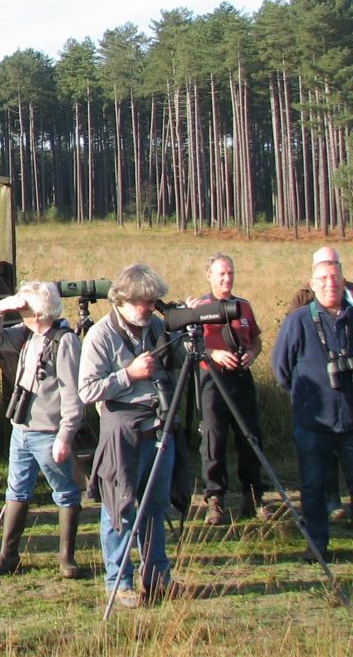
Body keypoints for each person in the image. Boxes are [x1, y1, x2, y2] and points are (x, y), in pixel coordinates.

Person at [80, 264, 177, 608]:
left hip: (158, 425)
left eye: (152, 301)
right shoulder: (101, 335)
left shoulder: (157, 327)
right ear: (121, 300)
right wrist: (128, 375)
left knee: (155, 505)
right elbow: (87, 390)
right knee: (119, 508)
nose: (148, 308)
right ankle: (118, 583)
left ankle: (157, 578)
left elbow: (176, 367)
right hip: (122, 428)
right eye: (141, 302)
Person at [0, 280, 84, 577]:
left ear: (39, 313)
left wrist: (65, 435)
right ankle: (8, 556)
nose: (20, 311)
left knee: (64, 492)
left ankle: (67, 559)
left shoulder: (64, 342)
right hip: (21, 429)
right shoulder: (27, 335)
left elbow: (72, 395)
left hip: (49, 433)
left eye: (24, 307)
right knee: (17, 490)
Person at [271, 252, 353, 564]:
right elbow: (281, 369)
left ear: (344, 282)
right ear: (312, 285)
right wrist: (305, 398)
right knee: (313, 487)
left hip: (351, 420)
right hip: (313, 422)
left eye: (335, 278)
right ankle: (317, 545)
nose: (329, 284)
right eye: (323, 279)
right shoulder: (299, 320)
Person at [191, 254, 266, 524]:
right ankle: (215, 498)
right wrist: (213, 353)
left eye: (230, 273)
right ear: (209, 276)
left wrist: (252, 354)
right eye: (221, 274)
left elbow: (256, 340)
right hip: (212, 379)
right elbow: (190, 345)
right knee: (213, 438)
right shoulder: (199, 307)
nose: (227, 279)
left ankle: (254, 495)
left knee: (250, 436)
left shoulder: (243, 306)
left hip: (241, 378)